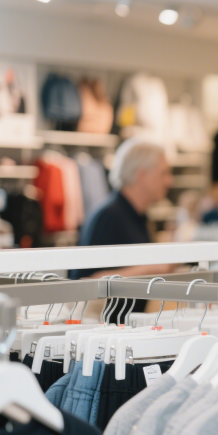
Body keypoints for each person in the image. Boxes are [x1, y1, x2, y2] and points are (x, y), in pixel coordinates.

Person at [69, 137, 180, 321]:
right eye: (164, 173)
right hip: (106, 333)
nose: (169, 181)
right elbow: (87, 283)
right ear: (142, 174)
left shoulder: (136, 215)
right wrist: (153, 269)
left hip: (124, 327)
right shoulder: (109, 217)